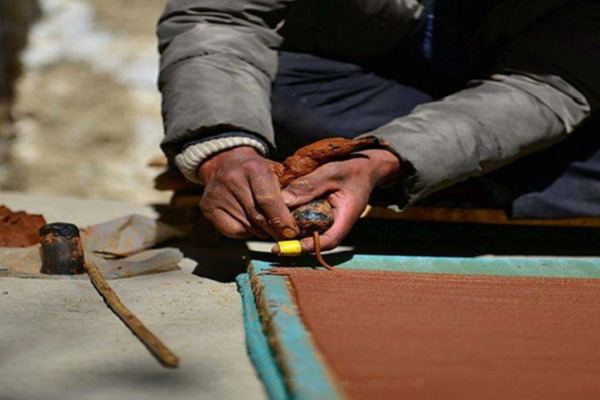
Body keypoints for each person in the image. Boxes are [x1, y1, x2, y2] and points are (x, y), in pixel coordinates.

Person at [157, 0, 599, 253]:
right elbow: (218, 18)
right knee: (276, 95)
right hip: (351, 81)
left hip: (535, 89)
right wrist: (224, 149)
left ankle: (416, 168)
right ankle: (480, 168)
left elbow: (546, 86)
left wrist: (383, 159)